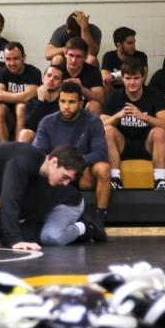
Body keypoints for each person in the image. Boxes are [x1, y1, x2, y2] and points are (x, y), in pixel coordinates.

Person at [33, 82, 112, 241]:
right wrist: (58, 167)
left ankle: (99, 220)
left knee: (103, 168)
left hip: (81, 171)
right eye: (62, 101)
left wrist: (74, 163)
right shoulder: (47, 122)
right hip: (55, 173)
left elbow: (101, 152)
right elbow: (38, 153)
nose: (66, 106)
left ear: (80, 103)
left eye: (71, 102)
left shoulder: (93, 121)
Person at [102, 59, 165, 191]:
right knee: (108, 130)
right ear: (122, 78)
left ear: (143, 77)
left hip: (148, 144)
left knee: (160, 131)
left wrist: (143, 117)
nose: (132, 82)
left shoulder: (154, 95)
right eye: (128, 78)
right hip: (123, 144)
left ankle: (160, 180)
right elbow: (100, 125)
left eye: (136, 78)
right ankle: (116, 179)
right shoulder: (115, 96)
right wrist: (118, 116)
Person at [0, 41, 42, 143]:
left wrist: (1, 95)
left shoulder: (33, 72)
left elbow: (28, 96)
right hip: (9, 117)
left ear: (24, 57)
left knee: (21, 106)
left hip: (28, 115)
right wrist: (20, 96)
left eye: (16, 58)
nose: (12, 63)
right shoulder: (1, 73)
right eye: (8, 59)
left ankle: (18, 149)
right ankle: (4, 149)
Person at [59, 37, 106, 116]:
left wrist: (81, 88)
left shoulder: (92, 71)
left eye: (78, 56)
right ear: (65, 54)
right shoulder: (58, 70)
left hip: (84, 111)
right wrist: (60, 87)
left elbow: (101, 98)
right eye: (71, 55)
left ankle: (92, 128)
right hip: (62, 107)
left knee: (95, 105)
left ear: (85, 57)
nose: (73, 60)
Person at [18, 64, 63, 144]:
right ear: (42, 78)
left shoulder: (63, 101)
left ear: (61, 83)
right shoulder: (33, 101)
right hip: (37, 138)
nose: (51, 79)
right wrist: (41, 101)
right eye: (49, 75)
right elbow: (29, 126)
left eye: (56, 78)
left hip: (56, 137)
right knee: (25, 134)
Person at [101, 26, 148, 94]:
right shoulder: (109, 56)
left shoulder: (141, 56)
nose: (134, 46)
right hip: (115, 93)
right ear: (119, 45)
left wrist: (113, 76)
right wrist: (127, 77)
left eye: (134, 42)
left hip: (135, 92)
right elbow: (105, 78)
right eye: (130, 43)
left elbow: (142, 78)